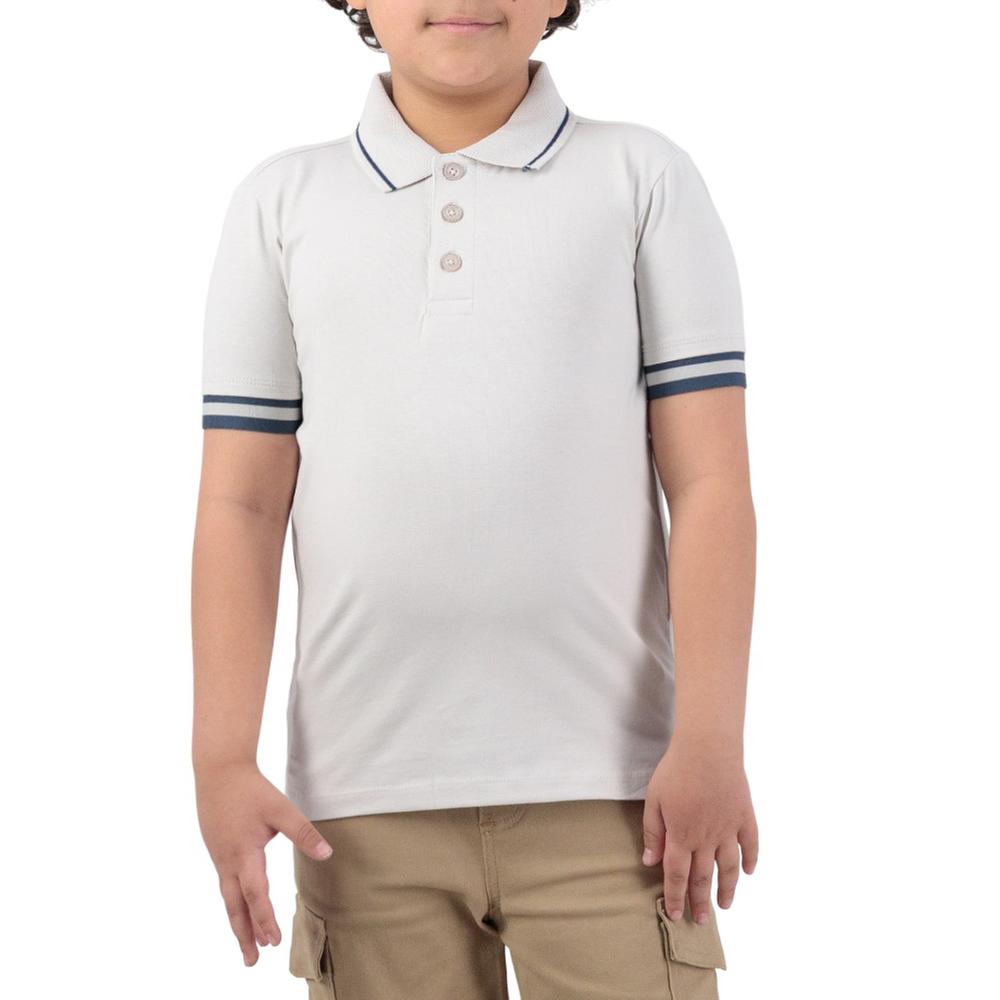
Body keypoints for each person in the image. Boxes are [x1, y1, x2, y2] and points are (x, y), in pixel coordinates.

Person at [191, 2, 758, 997]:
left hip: (619, 801)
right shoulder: (280, 202)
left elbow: (709, 481)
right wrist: (221, 760)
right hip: (360, 808)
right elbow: (240, 505)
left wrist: (711, 738)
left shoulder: (642, 178)